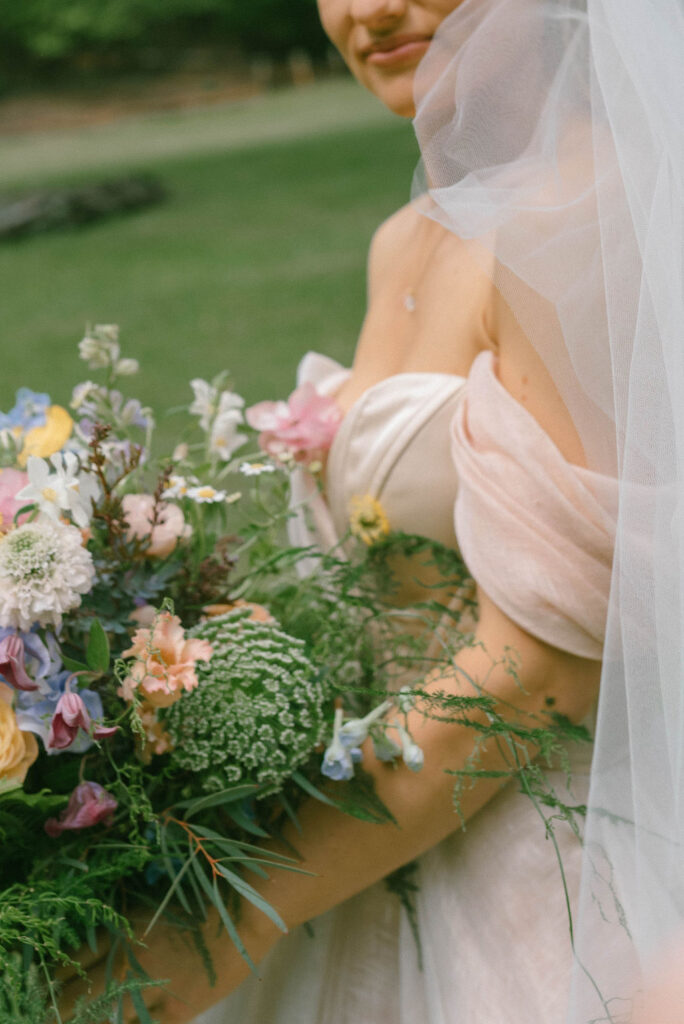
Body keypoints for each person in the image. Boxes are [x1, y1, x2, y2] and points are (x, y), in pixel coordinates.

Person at [65, 1, 684, 1021]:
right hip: (377, 828)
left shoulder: (589, 214)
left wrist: (226, 916)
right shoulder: (408, 238)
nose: (369, 9)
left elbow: (542, 674)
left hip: (549, 860)